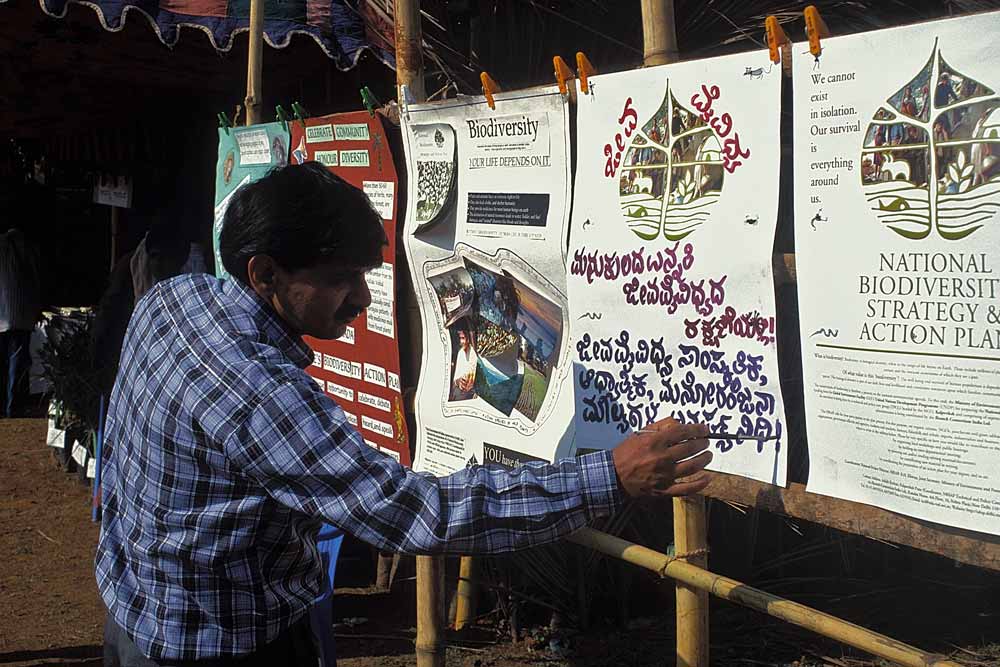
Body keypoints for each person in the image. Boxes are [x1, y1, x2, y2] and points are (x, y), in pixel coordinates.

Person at [97, 162, 713, 666]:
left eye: (365, 275)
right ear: (264, 274)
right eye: (340, 279)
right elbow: (417, 513)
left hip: (135, 612)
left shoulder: (175, 300)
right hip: (222, 644)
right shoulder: (260, 394)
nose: (362, 299)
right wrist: (607, 476)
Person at [90, 221, 192, 405]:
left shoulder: (191, 286)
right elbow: (107, 321)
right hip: (124, 364)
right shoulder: (131, 274)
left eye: (167, 259)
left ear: (182, 259)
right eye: (155, 257)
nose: (160, 265)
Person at [0, 226, 42, 417]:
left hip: (3, 316)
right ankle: (12, 409)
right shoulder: (26, 247)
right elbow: (35, 280)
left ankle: (5, 408)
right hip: (20, 317)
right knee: (16, 364)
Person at [451, 325, 478, 400]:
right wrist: (458, 382)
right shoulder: (460, 353)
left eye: (463, 338)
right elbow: (455, 378)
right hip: (459, 392)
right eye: (460, 338)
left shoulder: (473, 354)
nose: (461, 341)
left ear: (468, 339)